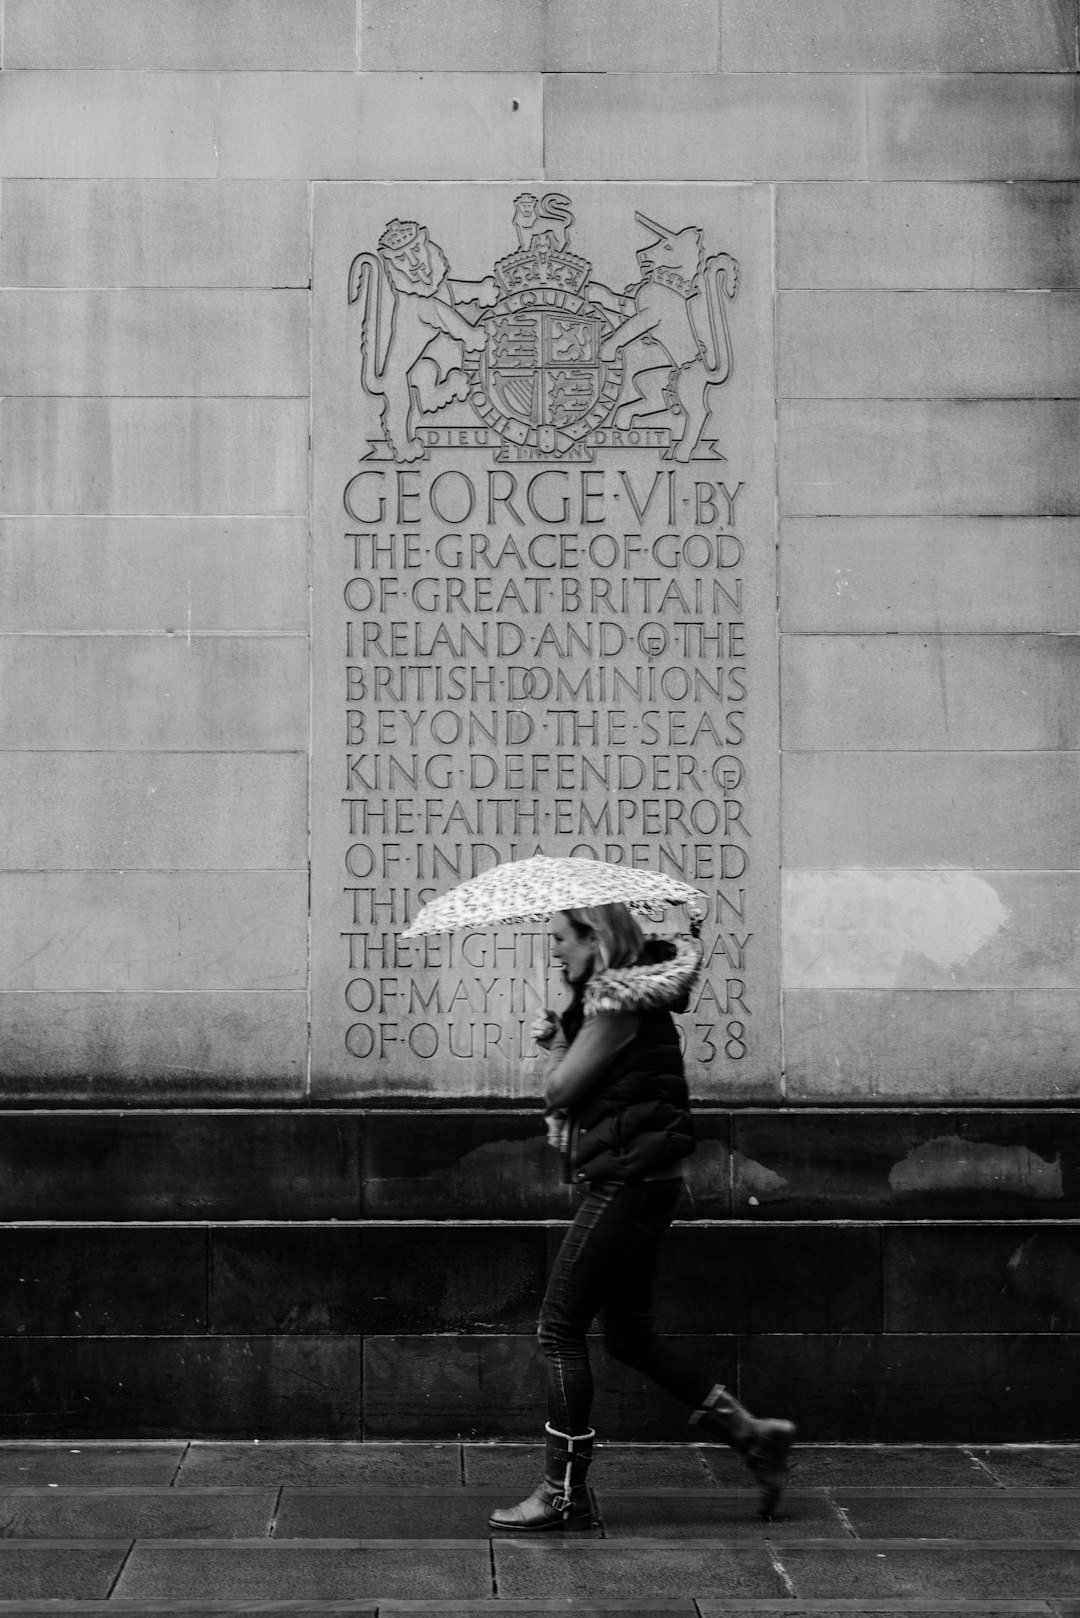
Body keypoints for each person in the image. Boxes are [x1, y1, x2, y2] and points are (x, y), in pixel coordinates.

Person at [489, 902, 795, 1532]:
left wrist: (556, 1045)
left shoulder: (616, 1003)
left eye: (562, 941)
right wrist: (566, 1039)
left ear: (595, 940)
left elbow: (562, 1091)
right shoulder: (620, 1003)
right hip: (640, 1181)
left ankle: (561, 1490)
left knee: (558, 1331)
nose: (555, 953)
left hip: (625, 1186)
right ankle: (751, 1434)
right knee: (629, 1337)